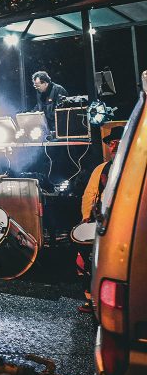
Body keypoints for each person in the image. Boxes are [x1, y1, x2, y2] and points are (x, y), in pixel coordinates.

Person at [75, 124, 124, 313]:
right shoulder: (101, 169)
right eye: (112, 143)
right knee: (84, 261)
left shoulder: (135, 168)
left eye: (119, 142)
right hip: (102, 223)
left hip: (123, 225)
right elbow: (89, 195)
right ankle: (91, 299)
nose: (115, 146)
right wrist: (86, 217)